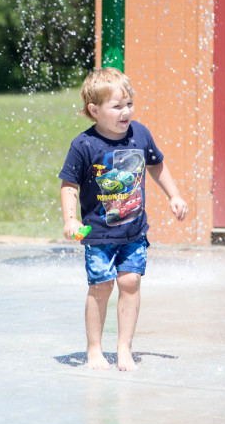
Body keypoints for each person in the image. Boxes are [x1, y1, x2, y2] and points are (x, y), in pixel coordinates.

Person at [59, 67, 188, 371]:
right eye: (116, 106)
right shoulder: (84, 145)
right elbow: (69, 184)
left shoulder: (139, 133)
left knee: (130, 282)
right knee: (101, 287)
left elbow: (156, 164)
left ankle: (124, 349)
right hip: (99, 233)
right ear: (95, 110)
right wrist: (70, 219)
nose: (125, 112)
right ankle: (94, 350)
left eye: (128, 104)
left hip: (133, 230)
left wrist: (174, 195)